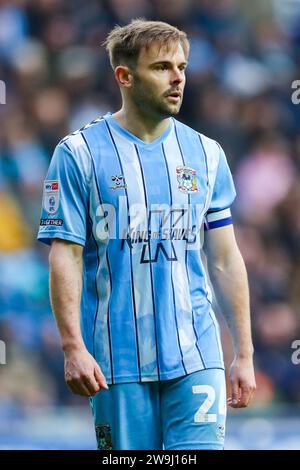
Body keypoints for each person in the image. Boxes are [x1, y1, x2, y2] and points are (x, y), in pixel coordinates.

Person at [37, 19, 256, 450]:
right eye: (162, 67)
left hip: (196, 354)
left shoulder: (206, 154)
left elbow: (225, 258)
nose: (178, 78)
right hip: (116, 360)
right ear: (125, 76)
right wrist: (72, 347)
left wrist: (244, 354)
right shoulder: (78, 154)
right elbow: (66, 254)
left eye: (182, 67)